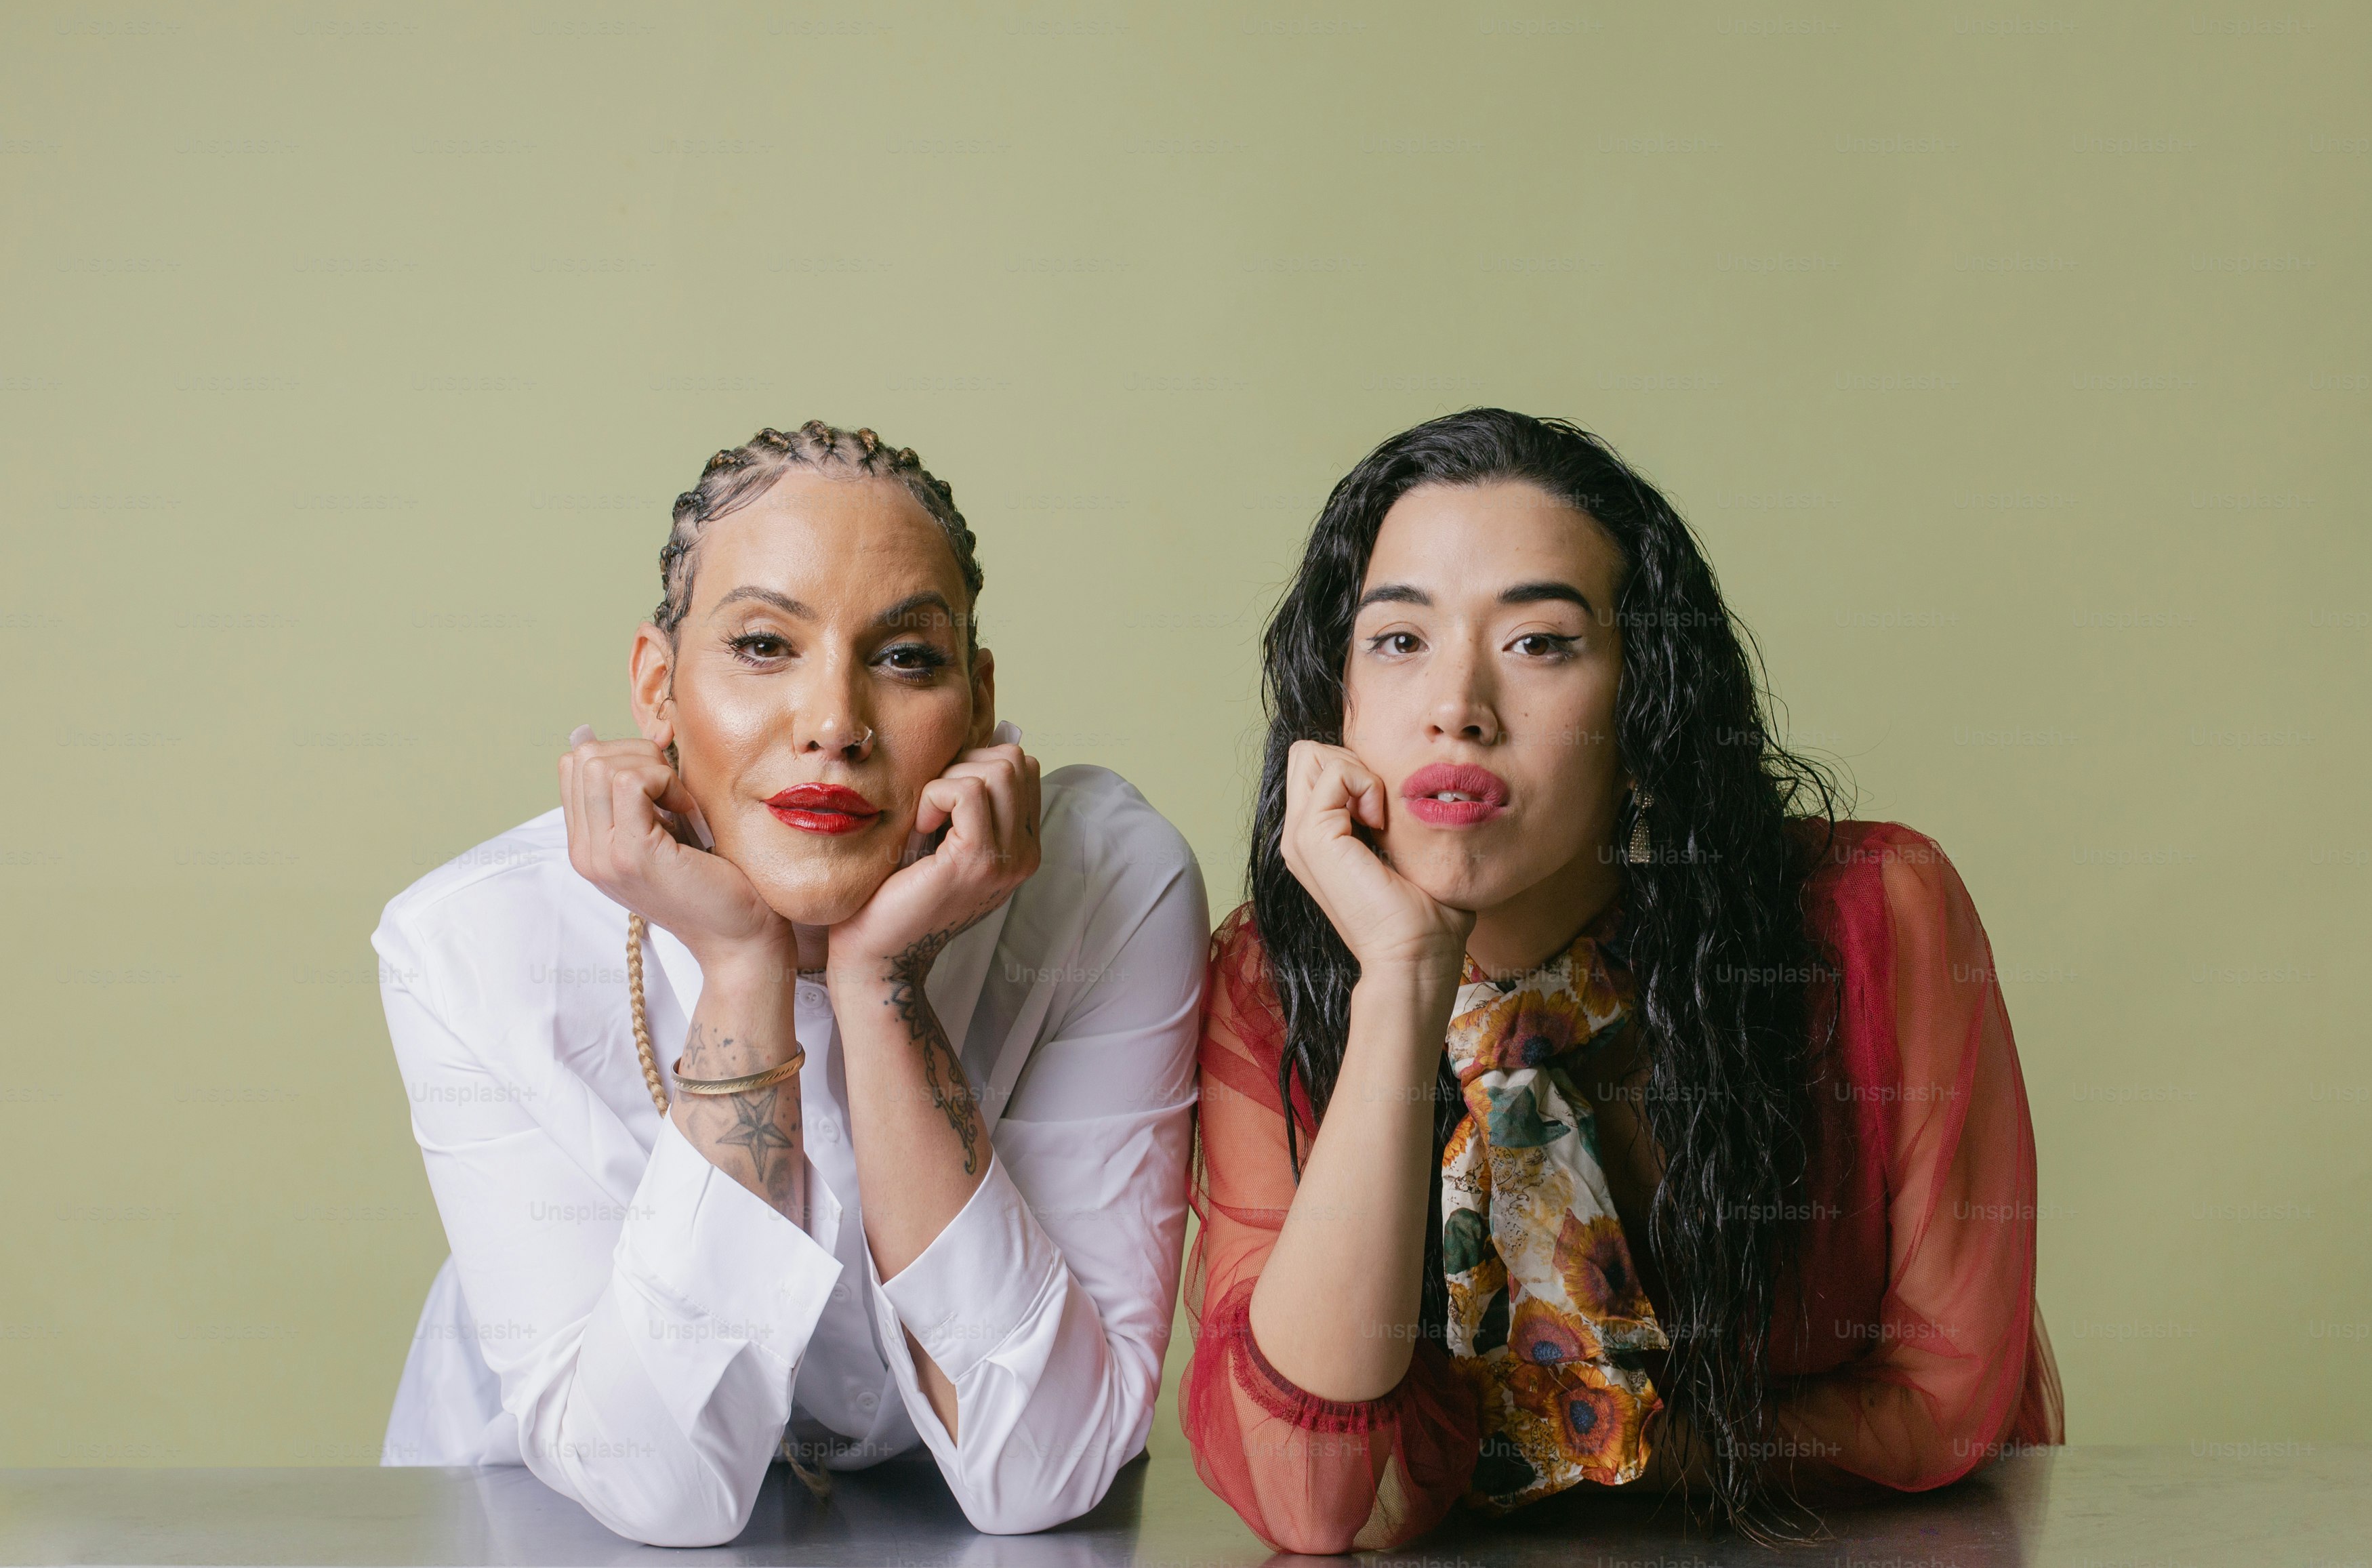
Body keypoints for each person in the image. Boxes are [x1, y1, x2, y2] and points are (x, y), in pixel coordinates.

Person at [1179, 408, 2062, 1553]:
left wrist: (1596, 1447)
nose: (1459, 704)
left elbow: (1943, 1402)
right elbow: (1308, 1495)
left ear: (1644, 707)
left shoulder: (1877, 919)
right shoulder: (1267, 979)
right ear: (1334, 709)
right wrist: (1403, 979)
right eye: (1399, 641)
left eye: (1540, 641)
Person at [373, 422, 1207, 1546]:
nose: (834, 724)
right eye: (765, 645)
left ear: (978, 698)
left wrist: (879, 984)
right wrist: (741, 967)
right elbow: (660, 1493)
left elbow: (1045, 1467)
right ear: (658, 689)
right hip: (539, 1527)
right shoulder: (475, 942)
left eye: (907, 658)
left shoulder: (1105, 893)